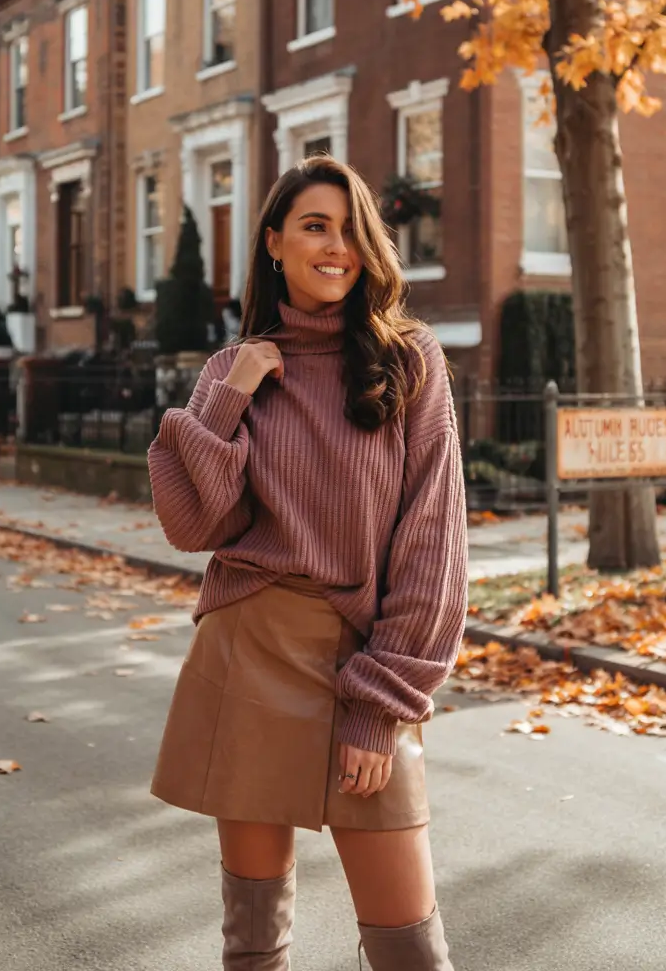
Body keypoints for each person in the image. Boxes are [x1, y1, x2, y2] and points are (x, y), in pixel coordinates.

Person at [147, 155, 468, 970]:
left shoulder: (410, 358)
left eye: (351, 230)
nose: (337, 247)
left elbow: (433, 544)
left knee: (410, 953)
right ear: (275, 244)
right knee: (254, 945)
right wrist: (230, 393)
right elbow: (191, 523)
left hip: (364, 659)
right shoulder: (235, 368)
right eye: (315, 227)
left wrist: (378, 706)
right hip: (248, 655)